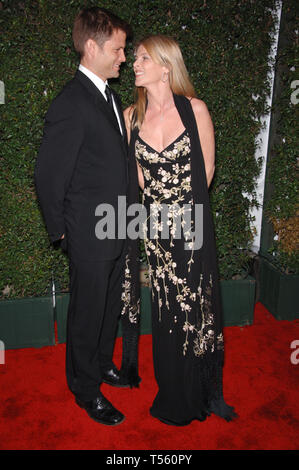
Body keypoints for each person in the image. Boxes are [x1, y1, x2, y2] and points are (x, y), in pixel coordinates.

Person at [124, 35, 237, 426]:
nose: (134, 64)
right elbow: (136, 177)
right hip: (154, 227)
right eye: (135, 57)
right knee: (165, 308)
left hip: (190, 225)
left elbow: (206, 172)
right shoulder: (130, 117)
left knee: (194, 307)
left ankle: (198, 390)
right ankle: (171, 388)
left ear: (166, 66)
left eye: (142, 58)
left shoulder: (195, 110)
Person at [35, 7, 140, 426]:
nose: (124, 57)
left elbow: (113, 163)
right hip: (89, 232)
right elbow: (48, 174)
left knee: (109, 305)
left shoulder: (108, 95)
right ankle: (85, 389)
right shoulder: (71, 102)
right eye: (118, 49)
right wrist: (62, 232)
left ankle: (100, 364)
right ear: (92, 47)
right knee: (87, 311)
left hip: (118, 224)